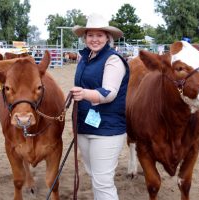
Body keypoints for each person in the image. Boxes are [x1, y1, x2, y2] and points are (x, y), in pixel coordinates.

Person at [70, 13, 129, 200]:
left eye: (99, 35)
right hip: (84, 125)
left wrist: (84, 94)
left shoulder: (113, 59)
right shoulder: (84, 58)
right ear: (85, 37)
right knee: (95, 176)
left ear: (107, 38)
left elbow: (109, 92)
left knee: (103, 181)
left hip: (107, 129)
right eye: (90, 35)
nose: (94, 39)